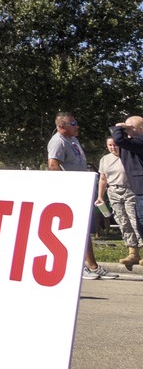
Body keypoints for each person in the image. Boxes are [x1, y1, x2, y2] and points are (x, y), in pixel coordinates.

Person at [47, 111, 114, 279]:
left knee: (82, 228)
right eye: (73, 124)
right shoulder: (58, 142)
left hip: (81, 189)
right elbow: (53, 166)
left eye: (76, 123)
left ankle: (92, 266)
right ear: (62, 127)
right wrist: (68, 187)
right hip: (70, 191)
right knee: (74, 229)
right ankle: (78, 266)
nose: (77, 126)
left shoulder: (73, 140)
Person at [97, 136, 140, 269]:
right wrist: (100, 196)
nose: (113, 147)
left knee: (135, 221)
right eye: (110, 145)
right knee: (123, 221)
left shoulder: (129, 156)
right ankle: (133, 252)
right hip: (114, 191)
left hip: (130, 190)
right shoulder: (105, 159)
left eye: (115, 145)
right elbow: (103, 179)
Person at [108, 116, 143, 270]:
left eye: (130, 127)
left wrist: (118, 128)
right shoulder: (130, 144)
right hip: (136, 190)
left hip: (141, 190)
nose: (126, 129)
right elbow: (116, 143)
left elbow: (119, 140)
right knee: (138, 224)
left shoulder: (140, 141)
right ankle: (133, 252)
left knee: (141, 223)